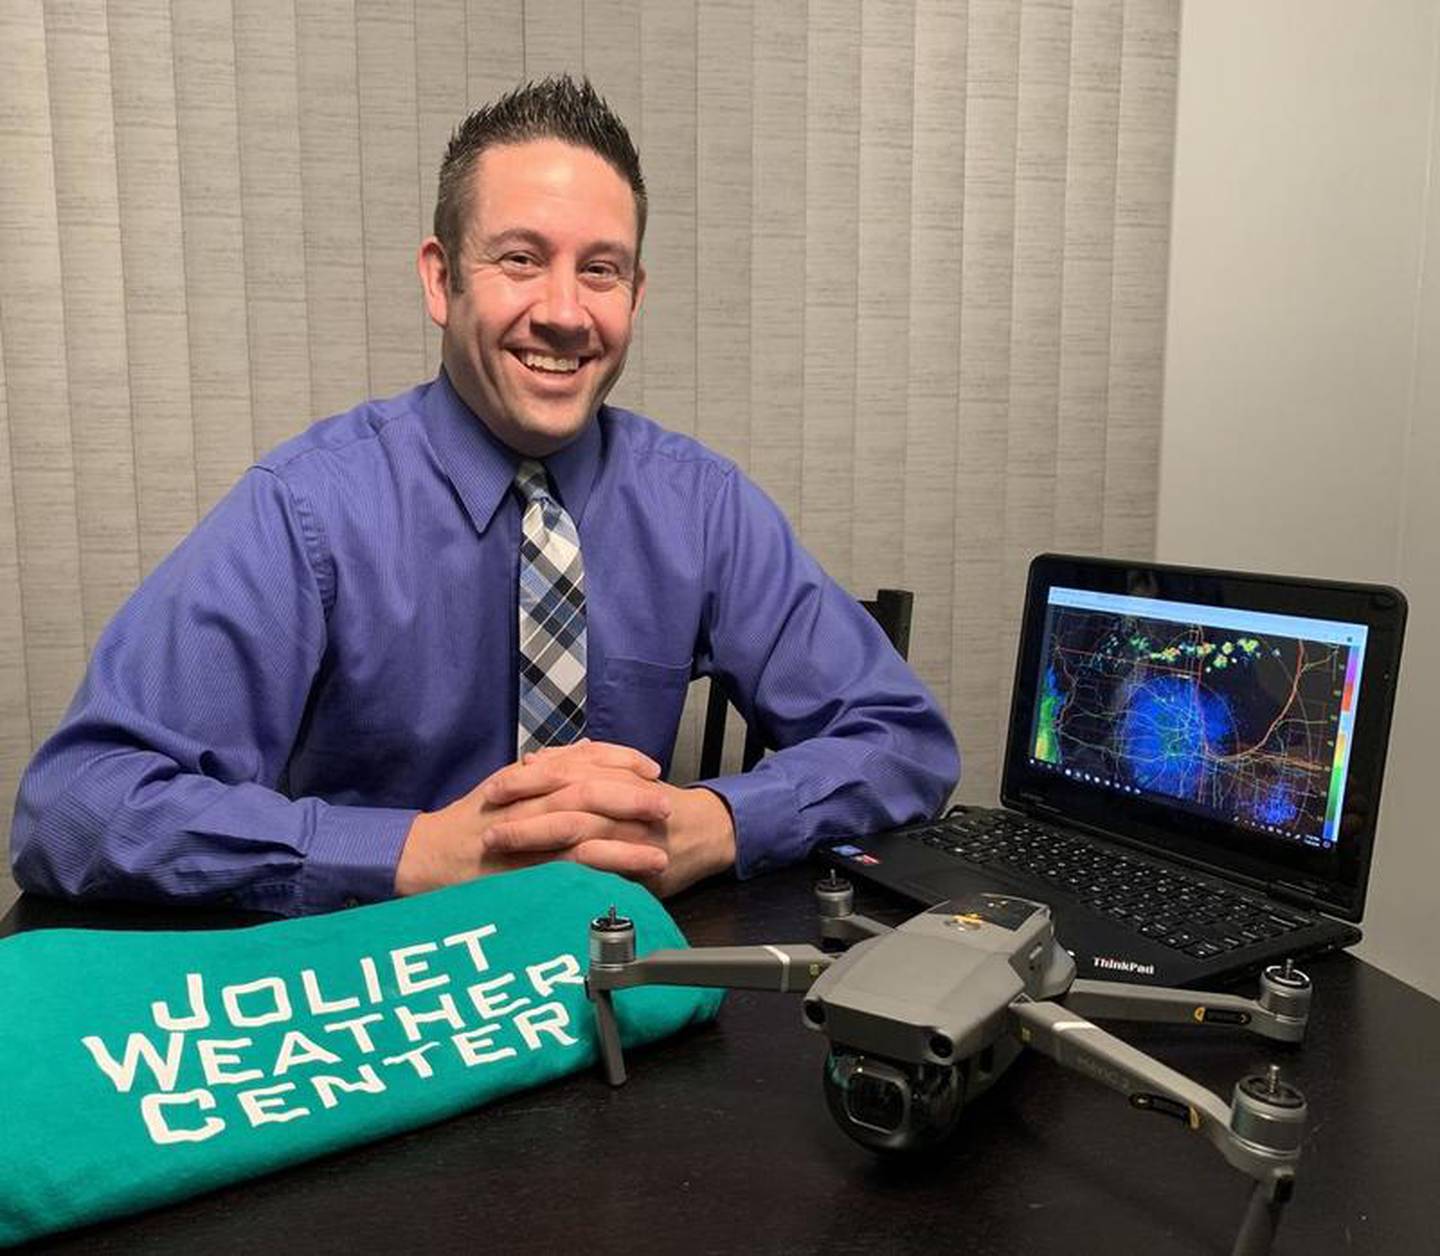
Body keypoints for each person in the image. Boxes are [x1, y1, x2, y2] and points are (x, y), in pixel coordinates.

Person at [10, 76, 958, 917]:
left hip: (625, 996)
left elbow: (903, 741)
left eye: (601, 269)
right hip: (380, 994)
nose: (562, 310)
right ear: (440, 278)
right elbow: (76, 806)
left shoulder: (701, 506)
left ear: (635, 292)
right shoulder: (306, 512)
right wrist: (418, 852)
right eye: (518, 259)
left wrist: (712, 823)